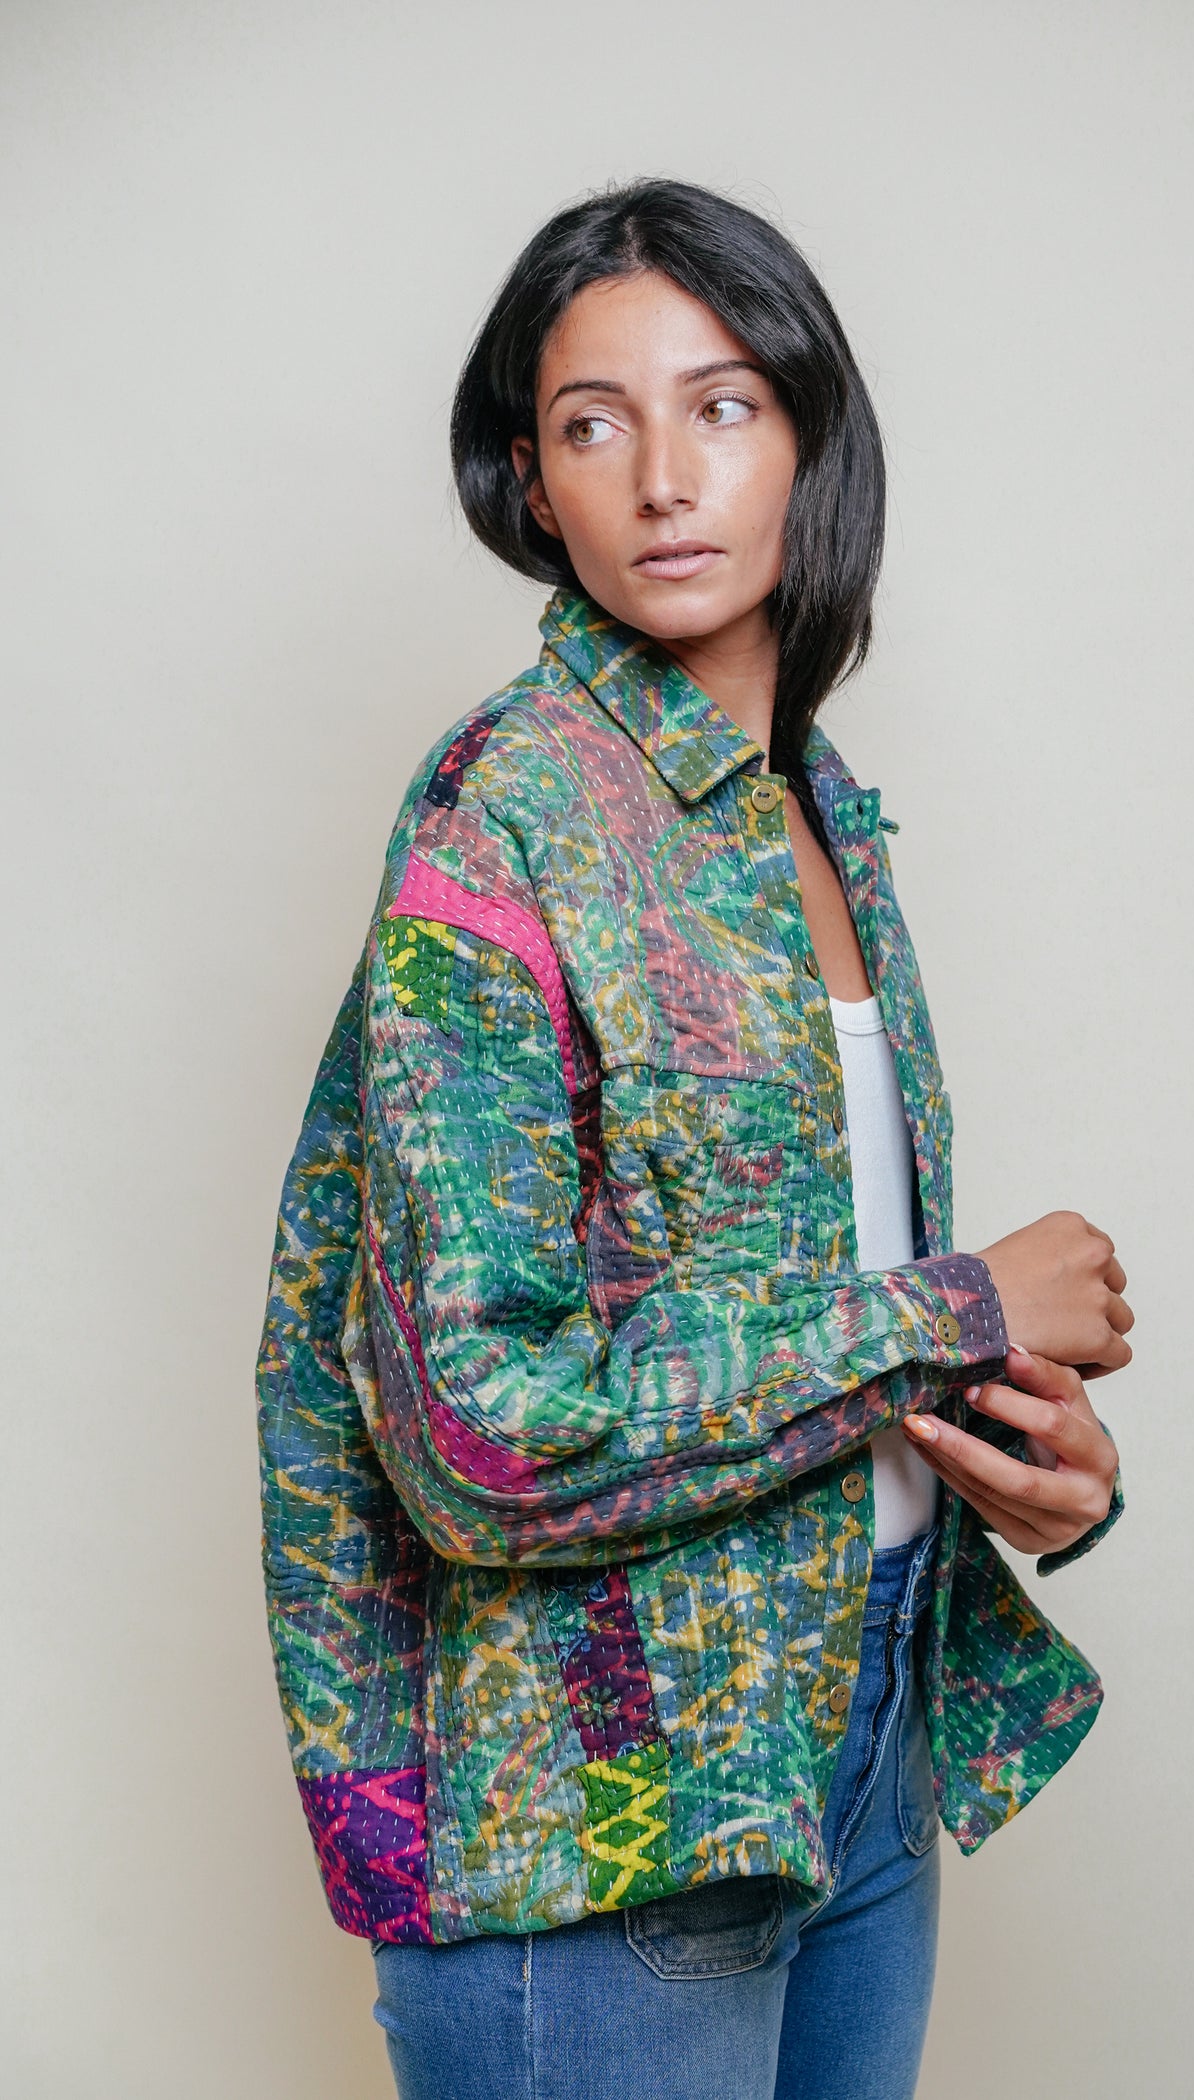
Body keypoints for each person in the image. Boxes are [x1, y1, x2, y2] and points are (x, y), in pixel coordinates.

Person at [256, 177, 1132, 2100]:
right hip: (604, 1810)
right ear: (531, 484)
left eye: (722, 406)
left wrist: (1017, 1465)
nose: (663, 477)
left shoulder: (814, 810)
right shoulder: (506, 819)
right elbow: (484, 1436)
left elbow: (778, 1310)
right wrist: (953, 1308)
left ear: (812, 440)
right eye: (595, 424)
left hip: (861, 1730)